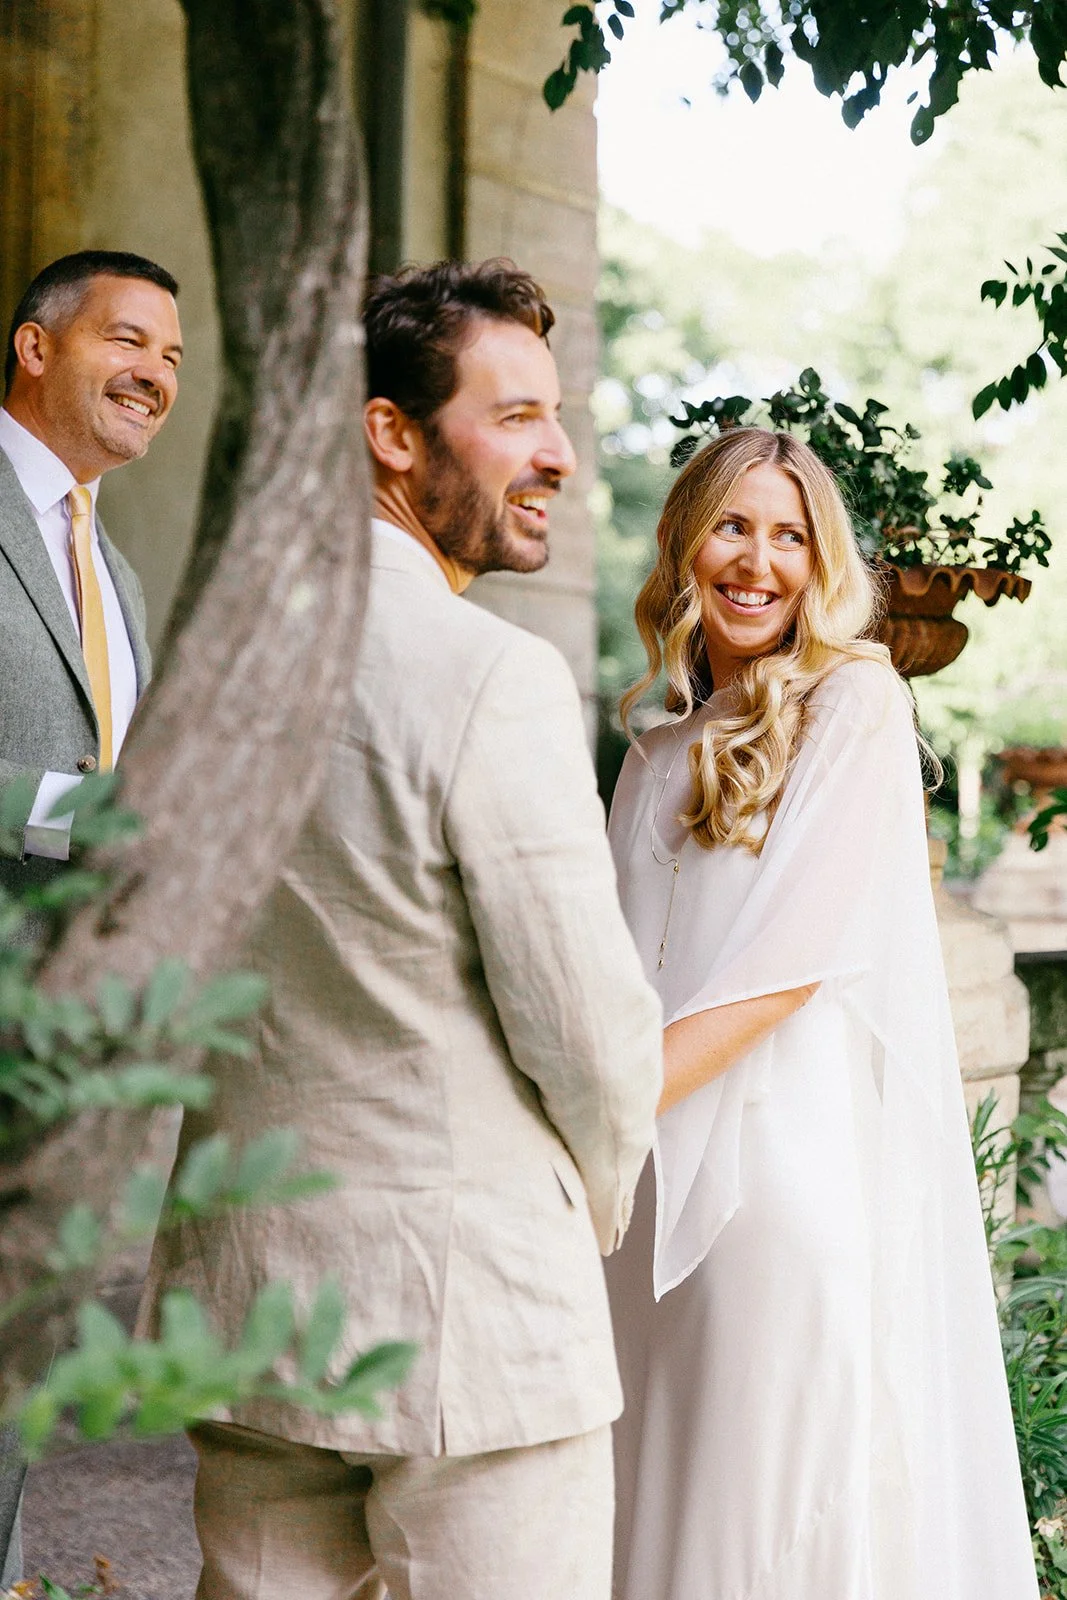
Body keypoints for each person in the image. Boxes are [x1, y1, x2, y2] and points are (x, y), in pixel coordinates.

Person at [142, 258, 663, 1600]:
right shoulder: (492, 675)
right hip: (469, 1320)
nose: (557, 456)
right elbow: (586, 1028)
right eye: (514, 416)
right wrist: (591, 1204)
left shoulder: (210, 665)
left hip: (249, 1295)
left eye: (556, 417)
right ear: (390, 433)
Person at [605, 426, 1038, 1599]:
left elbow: (786, 963)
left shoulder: (854, 703)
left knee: (763, 1512)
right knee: (644, 1495)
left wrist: (599, 1108)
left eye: (788, 536)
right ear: (683, 545)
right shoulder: (649, 753)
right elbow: (605, 967)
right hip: (634, 1191)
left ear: (820, 561)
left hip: (767, 1183)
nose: (757, 562)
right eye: (731, 528)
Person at [0, 249, 182, 1588]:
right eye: (128, 340)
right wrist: (83, 817)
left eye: (171, 358)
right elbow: (90, 804)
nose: (155, 375)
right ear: (34, 347)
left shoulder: (114, 568)